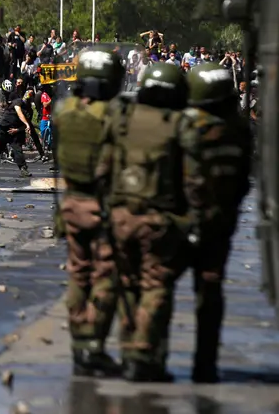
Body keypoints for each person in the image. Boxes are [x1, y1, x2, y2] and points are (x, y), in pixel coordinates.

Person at [95, 62, 202, 382]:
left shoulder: (123, 119)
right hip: (158, 220)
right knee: (156, 286)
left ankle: (128, 353)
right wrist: (192, 220)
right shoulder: (179, 124)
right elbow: (193, 180)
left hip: (120, 217)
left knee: (128, 284)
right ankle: (144, 355)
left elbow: (102, 171)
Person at [54, 48, 125, 378]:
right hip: (102, 205)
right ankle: (93, 345)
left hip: (71, 203)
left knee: (78, 273)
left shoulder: (65, 111)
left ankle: (79, 345)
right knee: (105, 276)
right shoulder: (112, 115)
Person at [182, 63, 251, 383]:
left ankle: (146, 357)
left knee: (154, 284)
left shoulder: (184, 125)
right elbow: (242, 181)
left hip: (179, 219)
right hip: (218, 223)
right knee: (210, 292)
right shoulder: (239, 131)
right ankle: (204, 363)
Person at [0, 79, 32, 177]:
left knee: (17, 149)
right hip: (3, 128)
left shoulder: (27, 111)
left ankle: (23, 169)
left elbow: (24, 123)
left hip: (14, 130)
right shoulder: (17, 103)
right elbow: (19, 113)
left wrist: (17, 129)